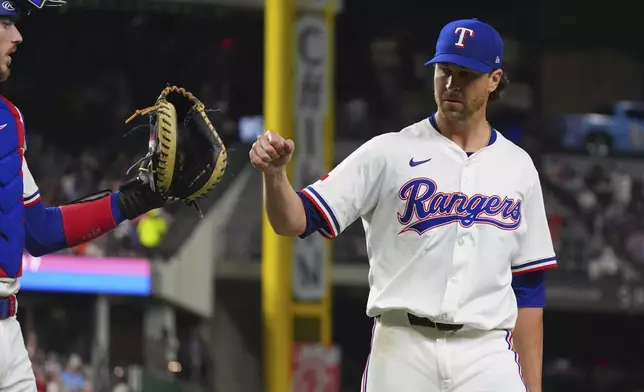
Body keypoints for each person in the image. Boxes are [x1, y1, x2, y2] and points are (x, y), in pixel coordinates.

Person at [251, 18, 556, 392]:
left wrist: (533, 386)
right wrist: (275, 176)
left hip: (486, 350)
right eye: (444, 71)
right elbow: (295, 220)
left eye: (466, 74)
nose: (451, 84)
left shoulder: (517, 166)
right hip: (402, 347)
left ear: (494, 80)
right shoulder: (389, 152)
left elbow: (529, 290)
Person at [0, 1, 166, 391]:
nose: (17, 36)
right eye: (4, 22)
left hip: (8, 332)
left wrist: (130, 201)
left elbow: (37, 231)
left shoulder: (9, 121)